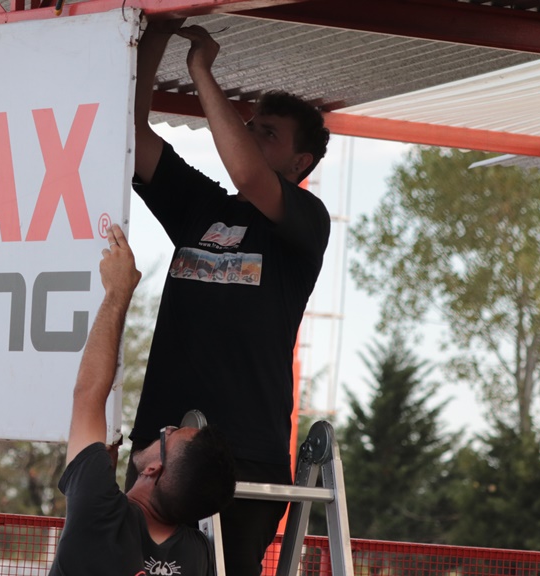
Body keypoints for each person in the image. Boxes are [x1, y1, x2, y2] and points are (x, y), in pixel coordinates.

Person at [125, 19, 332, 576]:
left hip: (244, 458)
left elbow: (248, 176)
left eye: (269, 134)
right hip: (160, 450)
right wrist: (156, 34)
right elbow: (130, 133)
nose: (251, 135)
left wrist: (200, 70)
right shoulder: (202, 206)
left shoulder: (306, 221)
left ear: (300, 164)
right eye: (251, 126)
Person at [48, 224, 236, 576]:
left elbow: (88, 394)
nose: (166, 428)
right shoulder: (196, 556)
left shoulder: (100, 515)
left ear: (152, 470)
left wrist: (117, 293)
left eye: (169, 435)